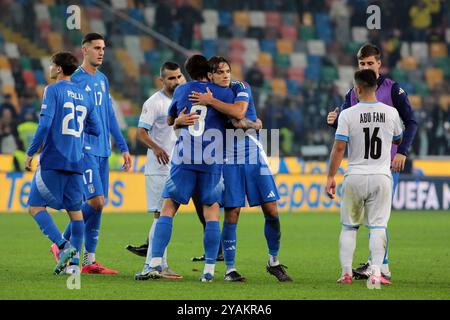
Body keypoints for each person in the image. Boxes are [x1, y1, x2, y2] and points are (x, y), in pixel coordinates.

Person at [189, 56, 293, 282]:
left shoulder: (240, 86)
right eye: (220, 72)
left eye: (228, 70)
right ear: (210, 76)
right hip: (227, 158)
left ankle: (273, 261)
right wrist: (249, 122)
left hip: (254, 154)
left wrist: (216, 104)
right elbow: (237, 121)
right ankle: (230, 269)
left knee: (272, 210)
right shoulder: (203, 95)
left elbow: (238, 113)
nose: (226, 75)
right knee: (232, 212)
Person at [326, 43, 417, 280]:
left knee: (363, 222)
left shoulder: (393, 90)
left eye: (370, 63)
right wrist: (333, 122)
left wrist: (402, 152)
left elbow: (412, 122)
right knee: (377, 220)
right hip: (375, 170)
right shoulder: (353, 94)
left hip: (384, 165)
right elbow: (346, 126)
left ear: (379, 64)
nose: (366, 67)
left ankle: (378, 265)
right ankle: (378, 267)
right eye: (362, 64)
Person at [145, 55, 236, 282]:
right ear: (209, 71)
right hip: (211, 160)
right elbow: (237, 116)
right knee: (211, 213)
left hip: (184, 158)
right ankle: (209, 271)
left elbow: (170, 120)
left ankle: (155, 263)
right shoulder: (223, 92)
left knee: (168, 209)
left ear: (187, 72)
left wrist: (177, 121)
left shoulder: (181, 91)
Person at [56, 33, 132, 275]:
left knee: (98, 206)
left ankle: (89, 261)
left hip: (103, 151)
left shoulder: (102, 79)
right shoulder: (75, 79)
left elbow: (109, 116)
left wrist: (124, 147)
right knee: (95, 201)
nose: (101, 52)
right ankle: (61, 244)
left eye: (103, 48)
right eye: (96, 48)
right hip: (84, 150)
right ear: (84, 50)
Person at [26, 52, 100, 275]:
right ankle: (74, 268)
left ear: (58, 68)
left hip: (54, 159)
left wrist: (31, 152)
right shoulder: (84, 95)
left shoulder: (52, 90)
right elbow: (95, 129)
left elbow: (45, 125)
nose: (49, 68)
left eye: (51, 65)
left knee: (35, 206)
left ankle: (62, 246)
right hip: (77, 161)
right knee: (75, 214)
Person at [131, 62, 187, 280]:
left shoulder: (183, 100)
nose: (176, 81)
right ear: (161, 80)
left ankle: (160, 265)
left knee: (166, 215)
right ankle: (151, 265)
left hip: (178, 167)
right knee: (160, 215)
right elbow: (141, 132)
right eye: (171, 78)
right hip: (158, 167)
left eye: (179, 76)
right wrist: (157, 147)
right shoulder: (154, 102)